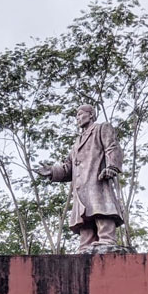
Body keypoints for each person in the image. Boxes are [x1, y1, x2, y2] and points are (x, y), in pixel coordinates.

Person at [36, 104, 124, 253]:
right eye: (76, 116)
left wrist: (112, 167)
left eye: (80, 114)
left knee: (100, 208)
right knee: (84, 217)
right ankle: (86, 244)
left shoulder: (102, 128)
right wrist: (51, 171)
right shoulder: (77, 142)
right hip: (80, 185)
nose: (78, 118)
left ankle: (107, 239)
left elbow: (112, 147)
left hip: (96, 178)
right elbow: (68, 167)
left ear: (91, 115)